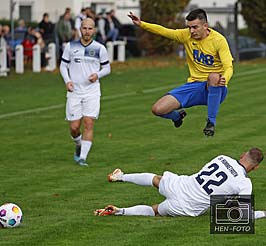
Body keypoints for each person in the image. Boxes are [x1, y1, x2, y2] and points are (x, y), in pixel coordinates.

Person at [128, 9, 234, 136]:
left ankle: (211, 123)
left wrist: (225, 79)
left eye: (195, 27)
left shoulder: (218, 40)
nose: (191, 31)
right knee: (157, 109)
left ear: (205, 26)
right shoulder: (186, 35)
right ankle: (177, 117)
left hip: (216, 88)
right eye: (189, 27)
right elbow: (165, 31)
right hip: (194, 86)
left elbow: (229, 66)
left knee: (213, 76)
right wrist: (142, 24)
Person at [95, 147, 266, 220]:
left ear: (243, 154)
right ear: (256, 167)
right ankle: (120, 211)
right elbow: (243, 215)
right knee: (155, 210)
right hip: (189, 206)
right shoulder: (244, 183)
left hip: (183, 184)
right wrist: (263, 213)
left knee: (156, 179)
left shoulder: (223, 157)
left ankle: (121, 176)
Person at [60, 18, 111, 166]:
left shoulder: (100, 48)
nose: (87, 31)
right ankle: (78, 144)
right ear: (79, 29)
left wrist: (97, 75)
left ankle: (82, 158)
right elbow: (63, 66)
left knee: (89, 123)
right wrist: (67, 81)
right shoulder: (71, 47)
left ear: (93, 30)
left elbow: (107, 68)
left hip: (92, 92)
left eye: (90, 28)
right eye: (84, 28)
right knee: (74, 127)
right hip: (74, 91)